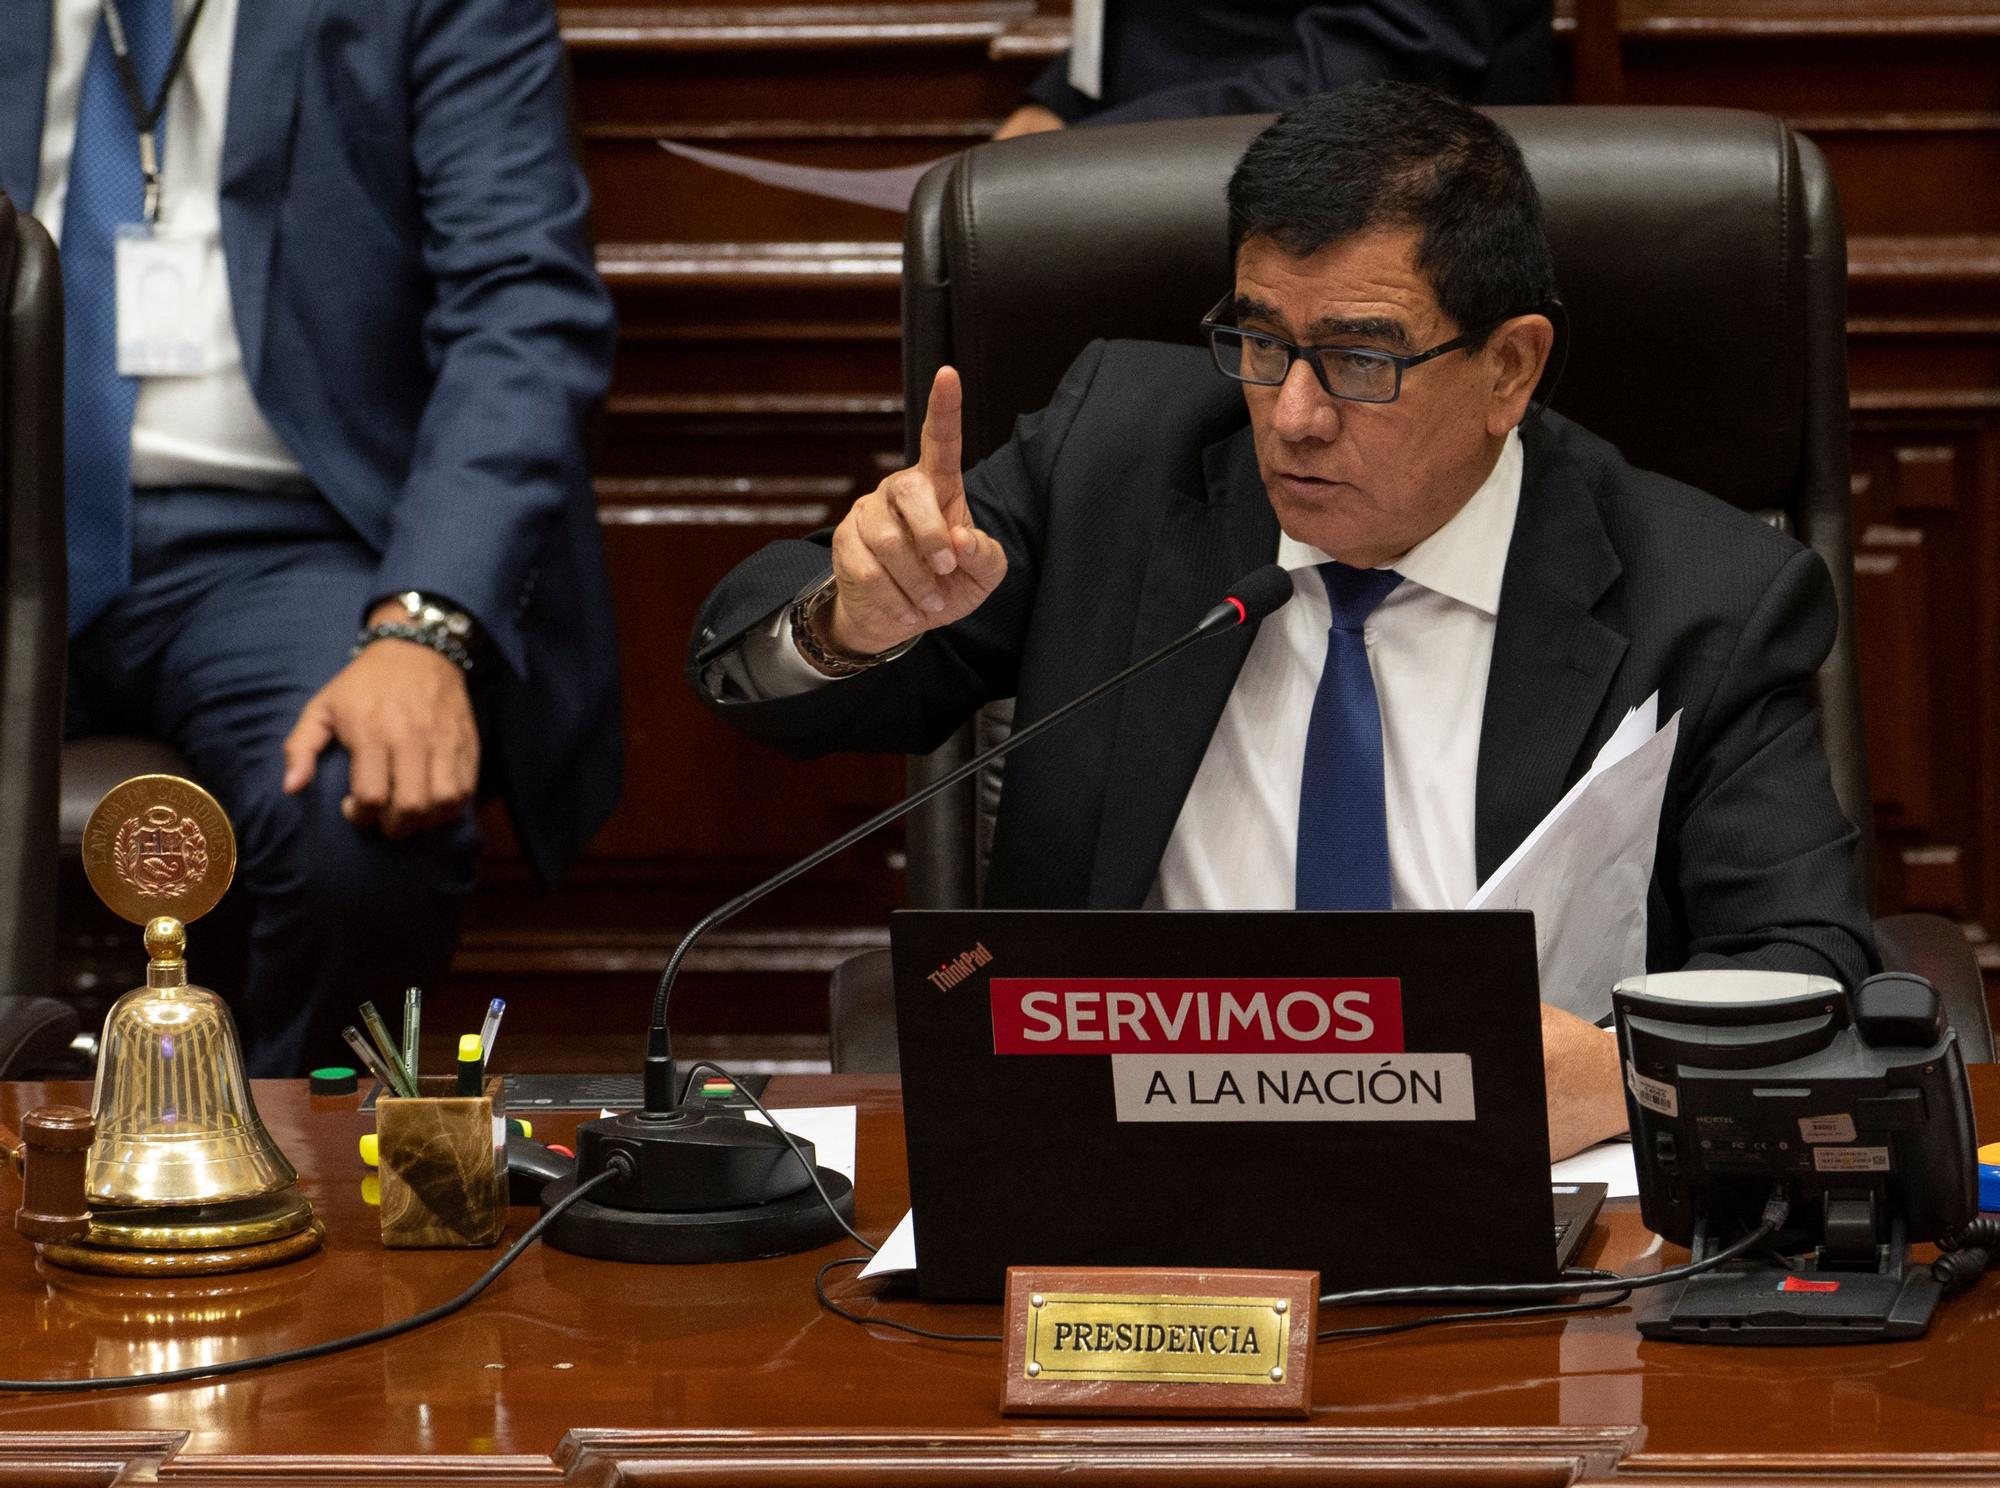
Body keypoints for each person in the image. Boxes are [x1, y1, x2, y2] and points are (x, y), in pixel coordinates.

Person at [688, 82, 1875, 1160]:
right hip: (1114, 1162)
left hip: (1513, 1202)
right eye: (1259, 344)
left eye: (1360, 359)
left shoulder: (1705, 595)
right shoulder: (1112, 462)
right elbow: (752, 666)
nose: (1293, 417)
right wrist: (849, 619)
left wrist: (1620, 1075)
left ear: (1509, 370)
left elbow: (1807, 971)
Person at [2, 0, 621, 1074]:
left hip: (282, 540)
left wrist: (424, 623)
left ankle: (291, 1184)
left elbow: (520, 306)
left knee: (360, 815)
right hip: (12, 521)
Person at [997, 0, 1554, 139]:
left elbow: (1388, 59)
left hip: (1357, 230)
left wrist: (1089, 150)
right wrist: (1061, 100)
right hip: (1151, 189)